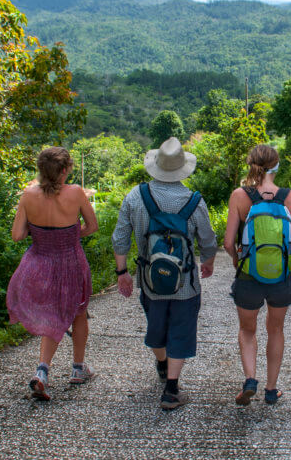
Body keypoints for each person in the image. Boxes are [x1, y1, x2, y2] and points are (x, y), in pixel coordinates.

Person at [112, 137, 217, 411]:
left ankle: (161, 364)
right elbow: (208, 239)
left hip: (150, 280)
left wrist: (122, 271)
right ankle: (172, 390)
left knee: (156, 327)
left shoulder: (136, 196)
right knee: (181, 330)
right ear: (182, 168)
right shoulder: (194, 201)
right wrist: (208, 262)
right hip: (186, 284)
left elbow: (120, 237)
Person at [224, 145, 291, 406]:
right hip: (281, 278)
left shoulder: (240, 196)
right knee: (276, 330)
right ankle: (271, 389)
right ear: (276, 166)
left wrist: (238, 263)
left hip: (248, 277)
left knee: (247, 330)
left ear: (250, 164)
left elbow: (229, 242)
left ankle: (250, 378)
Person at [7, 147, 99, 401]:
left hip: (39, 263)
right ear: (64, 169)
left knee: (51, 313)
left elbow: (17, 235)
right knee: (78, 312)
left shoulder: (28, 195)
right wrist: (68, 235)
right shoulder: (76, 193)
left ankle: (43, 370)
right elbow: (92, 226)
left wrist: (42, 232)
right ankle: (78, 368)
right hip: (70, 261)